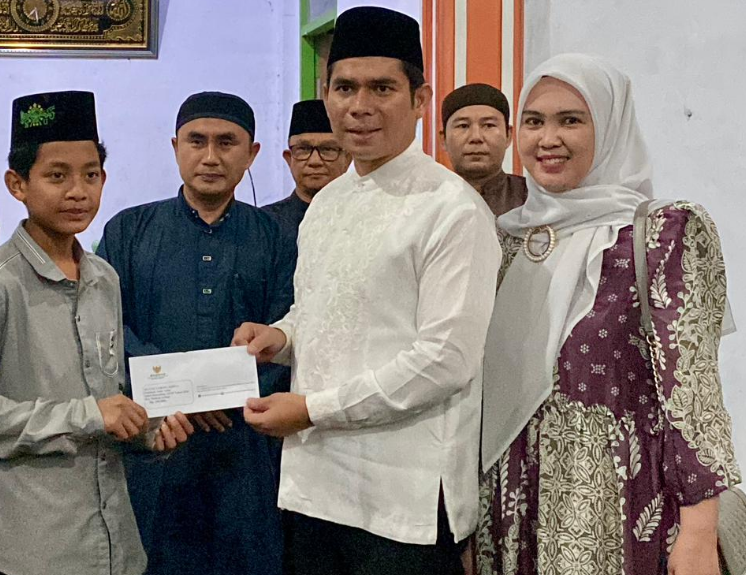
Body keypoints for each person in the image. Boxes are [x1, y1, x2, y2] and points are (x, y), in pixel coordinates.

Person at [232, 7, 500, 575]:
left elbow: (444, 361)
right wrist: (280, 337)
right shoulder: (328, 202)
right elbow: (325, 307)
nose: (359, 106)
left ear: (420, 99)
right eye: (345, 87)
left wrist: (312, 410)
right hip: (315, 487)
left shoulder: (451, 209)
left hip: (402, 498)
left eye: (382, 88)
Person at [476, 53, 740, 575]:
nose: (548, 139)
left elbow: (693, 396)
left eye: (571, 120)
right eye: (534, 121)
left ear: (611, 125)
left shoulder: (662, 233)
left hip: (616, 501)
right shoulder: (505, 239)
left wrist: (699, 532)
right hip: (510, 500)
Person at [0, 90, 194, 575]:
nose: (78, 191)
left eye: (90, 175)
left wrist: (144, 430)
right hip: (27, 550)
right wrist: (89, 415)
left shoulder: (103, 278)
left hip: (112, 546)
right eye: (57, 176)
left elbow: (105, 402)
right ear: (17, 184)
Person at [96, 91, 293, 575]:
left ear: (252, 153)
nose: (210, 157)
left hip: (244, 444)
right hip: (155, 439)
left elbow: (289, 326)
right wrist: (178, 395)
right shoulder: (128, 230)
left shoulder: (276, 238)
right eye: (196, 141)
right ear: (175, 147)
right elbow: (107, 326)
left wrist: (222, 397)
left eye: (226, 142)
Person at [263, 99, 350, 249]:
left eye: (328, 149)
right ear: (289, 159)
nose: (315, 161)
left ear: (348, 158)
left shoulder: (365, 218)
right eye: (303, 149)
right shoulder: (265, 224)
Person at [440, 83, 527, 216]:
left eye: (488, 125)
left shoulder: (533, 199)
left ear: (508, 135)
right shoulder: (424, 202)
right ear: (443, 139)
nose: (476, 137)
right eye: (463, 126)